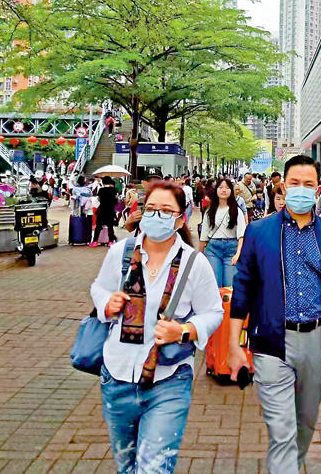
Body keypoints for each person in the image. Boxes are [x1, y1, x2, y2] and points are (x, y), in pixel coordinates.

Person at [228, 155, 321, 473]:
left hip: (316, 341)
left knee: (305, 422)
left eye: (308, 184)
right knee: (282, 432)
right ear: (283, 184)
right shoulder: (259, 232)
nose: (300, 189)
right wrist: (233, 347)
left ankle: (292, 465)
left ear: (317, 188)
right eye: (294, 183)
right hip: (271, 341)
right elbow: (242, 291)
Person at [90, 180, 223, 474]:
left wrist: (184, 330)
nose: (156, 216)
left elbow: (213, 312)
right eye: (151, 209)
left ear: (180, 219)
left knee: (154, 469)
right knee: (126, 467)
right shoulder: (121, 253)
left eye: (165, 211)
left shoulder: (194, 263)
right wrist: (106, 303)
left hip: (169, 378)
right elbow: (99, 288)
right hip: (117, 376)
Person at [199, 177, 246, 288]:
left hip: (231, 250)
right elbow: (204, 236)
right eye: (221, 187)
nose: (224, 190)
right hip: (213, 249)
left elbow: (241, 235)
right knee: (214, 284)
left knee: (229, 285)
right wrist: (199, 255)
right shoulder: (209, 211)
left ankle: (227, 306)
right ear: (216, 190)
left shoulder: (236, 211)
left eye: (227, 188)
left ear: (231, 191)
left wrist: (238, 254)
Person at [91, 177, 119, 247]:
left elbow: (99, 200)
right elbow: (115, 201)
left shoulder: (101, 190)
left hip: (102, 209)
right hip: (110, 210)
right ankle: (110, 241)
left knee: (98, 226)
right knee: (110, 226)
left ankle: (95, 241)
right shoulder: (114, 190)